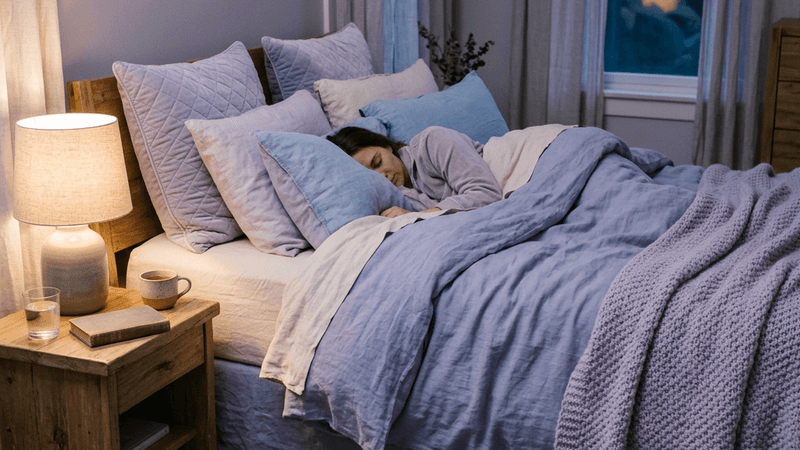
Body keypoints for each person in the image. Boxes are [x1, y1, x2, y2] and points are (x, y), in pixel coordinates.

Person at [327, 126, 502, 218]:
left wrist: (421, 216)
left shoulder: (432, 141)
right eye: (372, 176)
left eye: (378, 162)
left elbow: (487, 194)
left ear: (387, 146)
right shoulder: (399, 197)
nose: (383, 176)